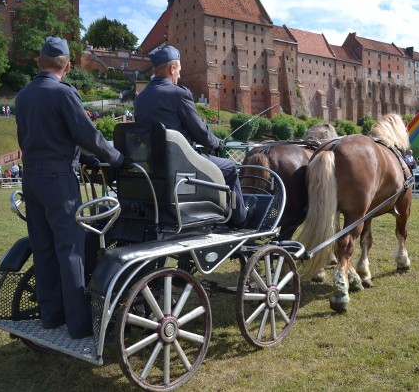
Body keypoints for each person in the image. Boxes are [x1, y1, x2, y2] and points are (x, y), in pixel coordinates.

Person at [15, 36, 126, 339]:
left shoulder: (23, 95)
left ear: (40, 62)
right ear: (66, 66)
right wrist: (117, 158)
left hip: (31, 178)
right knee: (71, 250)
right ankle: (78, 325)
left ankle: (51, 316)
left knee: (43, 247)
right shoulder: (63, 93)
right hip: (58, 179)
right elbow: (88, 136)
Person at [134, 45, 251, 227]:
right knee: (228, 167)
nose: (179, 75)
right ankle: (240, 220)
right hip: (181, 166)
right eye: (179, 70)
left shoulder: (140, 98)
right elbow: (200, 131)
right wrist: (217, 143)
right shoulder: (178, 94)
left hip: (151, 168)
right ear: (172, 69)